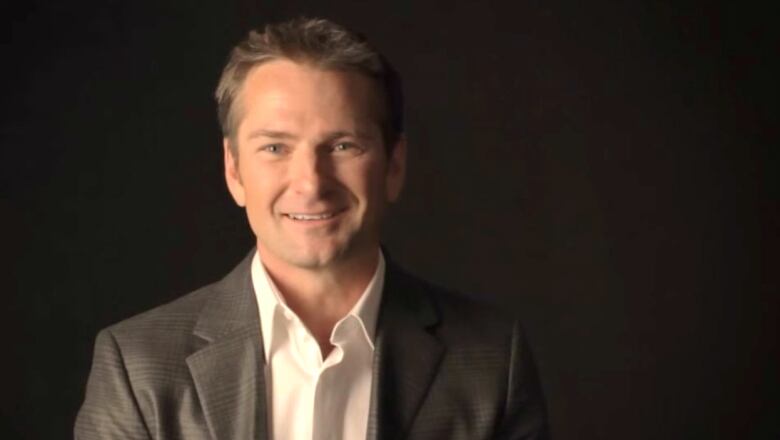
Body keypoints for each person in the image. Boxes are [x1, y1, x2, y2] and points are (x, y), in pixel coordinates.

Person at [75, 17, 549, 440]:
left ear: (394, 166)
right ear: (233, 170)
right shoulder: (137, 365)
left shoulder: (491, 359)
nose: (311, 183)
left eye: (343, 146)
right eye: (276, 148)